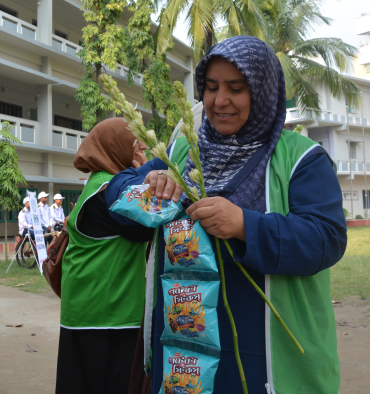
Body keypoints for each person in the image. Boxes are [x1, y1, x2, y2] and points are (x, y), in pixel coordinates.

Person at [107, 36, 347, 394]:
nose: (220, 101)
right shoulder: (184, 149)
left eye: (236, 88)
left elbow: (326, 238)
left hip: (265, 353)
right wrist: (150, 184)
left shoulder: (301, 158)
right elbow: (117, 191)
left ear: (263, 91)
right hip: (187, 349)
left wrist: (245, 225)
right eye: (211, 87)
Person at [55, 117, 152, 394]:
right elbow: (145, 224)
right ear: (117, 147)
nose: (143, 147)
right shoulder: (107, 192)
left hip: (95, 309)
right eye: (135, 143)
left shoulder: (102, 184)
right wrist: (143, 174)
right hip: (104, 315)